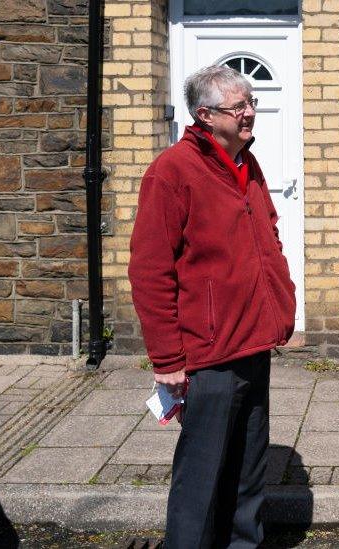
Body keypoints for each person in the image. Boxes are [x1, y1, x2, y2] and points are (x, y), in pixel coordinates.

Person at [128, 65, 295, 548]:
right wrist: (167, 360)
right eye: (238, 106)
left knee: (248, 470)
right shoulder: (172, 172)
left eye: (250, 103)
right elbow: (150, 271)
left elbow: (268, 235)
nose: (249, 113)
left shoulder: (247, 162)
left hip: (254, 342)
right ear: (204, 115)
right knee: (201, 478)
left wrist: (281, 296)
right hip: (208, 352)